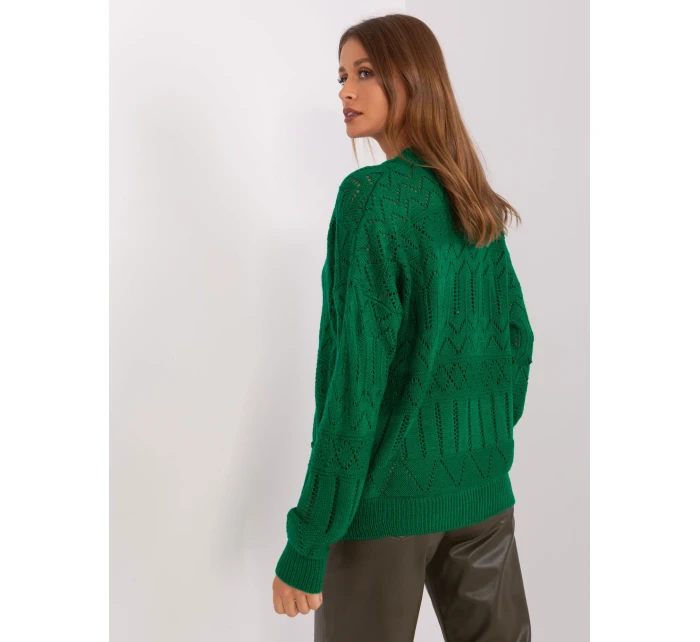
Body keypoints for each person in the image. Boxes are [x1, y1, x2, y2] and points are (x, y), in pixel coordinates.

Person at [272, 13, 535, 642]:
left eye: (364, 73)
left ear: (412, 79)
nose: (345, 91)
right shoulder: (473, 198)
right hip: (484, 496)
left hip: (386, 505)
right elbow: (517, 344)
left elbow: (353, 387)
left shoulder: (371, 198)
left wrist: (308, 540)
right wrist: (477, 444)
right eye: (341, 76)